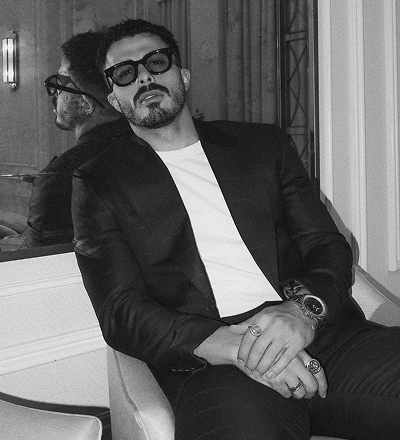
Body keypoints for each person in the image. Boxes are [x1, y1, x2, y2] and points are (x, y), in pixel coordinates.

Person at [71, 19, 400, 440]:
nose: (144, 78)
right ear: (114, 99)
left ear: (183, 75)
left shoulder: (261, 146)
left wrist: (301, 312)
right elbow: (120, 310)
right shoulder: (99, 181)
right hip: (214, 365)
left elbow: (326, 245)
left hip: (317, 333)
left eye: (156, 62)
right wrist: (238, 346)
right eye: (124, 73)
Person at [2, 30, 131, 249]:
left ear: (85, 104)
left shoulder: (58, 179)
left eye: (62, 83)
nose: (54, 94)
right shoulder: (148, 145)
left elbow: (36, 259)